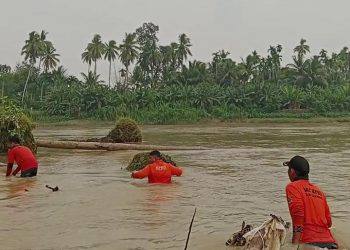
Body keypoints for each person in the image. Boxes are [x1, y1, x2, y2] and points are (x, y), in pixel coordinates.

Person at [284, 155, 337, 249]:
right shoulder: (319, 191)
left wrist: (295, 245)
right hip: (331, 243)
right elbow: (328, 222)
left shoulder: (292, 187)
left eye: (288, 170)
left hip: (310, 243)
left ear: (292, 172)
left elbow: (298, 214)